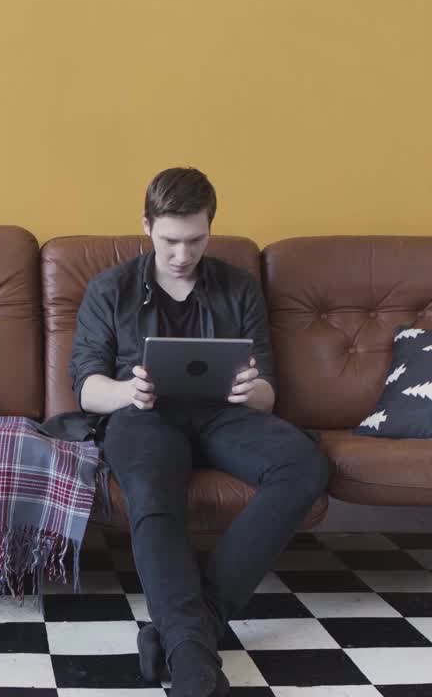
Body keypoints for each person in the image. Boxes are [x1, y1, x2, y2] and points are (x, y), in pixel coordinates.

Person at [69, 167, 329, 696]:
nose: (183, 255)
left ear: (211, 228)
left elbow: (268, 394)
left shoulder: (238, 288)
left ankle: (185, 636)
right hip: (142, 416)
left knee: (305, 464)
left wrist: (250, 388)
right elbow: (85, 387)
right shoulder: (109, 289)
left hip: (223, 415)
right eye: (170, 241)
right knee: (151, 493)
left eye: (196, 240)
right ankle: (194, 666)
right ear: (146, 225)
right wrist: (128, 392)